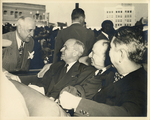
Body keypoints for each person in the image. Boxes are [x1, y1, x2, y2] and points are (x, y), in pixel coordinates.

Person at [59, 26, 147, 116]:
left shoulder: (141, 84)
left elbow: (126, 114)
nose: (108, 52)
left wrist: (77, 103)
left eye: (111, 48)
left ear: (121, 54)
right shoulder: (113, 72)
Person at [13, 39, 95, 101]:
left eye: (65, 48)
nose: (61, 50)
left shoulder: (84, 71)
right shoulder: (56, 66)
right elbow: (42, 83)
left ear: (75, 53)